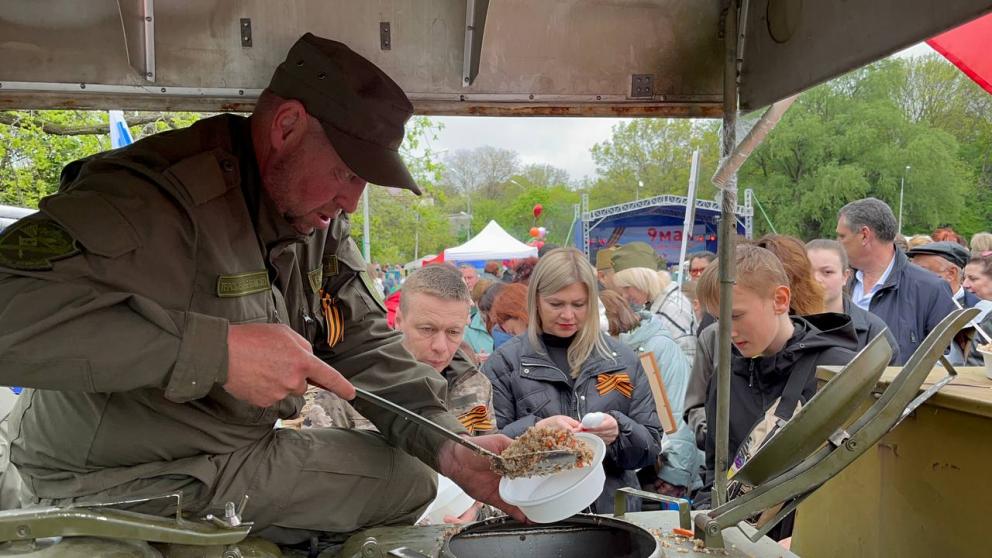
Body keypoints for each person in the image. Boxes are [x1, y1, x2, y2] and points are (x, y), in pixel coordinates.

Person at [0, 33, 521, 543]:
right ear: (287, 126)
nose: (351, 202)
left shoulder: (316, 222)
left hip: (228, 455)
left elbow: (359, 339)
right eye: (345, 172)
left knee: (412, 476)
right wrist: (217, 353)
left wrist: (453, 447)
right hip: (107, 469)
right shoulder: (155, 199)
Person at [693, 245, 859, 539]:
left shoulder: (836, 370)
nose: (727, 331)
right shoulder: (726, 375)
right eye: (719, 320)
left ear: (780, 300)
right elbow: (716, 474)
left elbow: (856, 480)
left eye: (736, 315)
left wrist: (809, 538)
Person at [481, 248, 661, 513]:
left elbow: (651, 449)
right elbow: (485, 455)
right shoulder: (504, 363)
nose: (568, 315)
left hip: (613, 514)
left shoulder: (621, 360)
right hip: (536, 515)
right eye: (556, 304)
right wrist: (537, 431)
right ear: (536, 301)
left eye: (578, 305)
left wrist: (619, 431)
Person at [599, 290, 701, 499]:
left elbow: (678, 411)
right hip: (640, 465)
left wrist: (675, 473)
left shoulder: (655, 347)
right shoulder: (621, 352)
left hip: (663, 469)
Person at [837, 198, 955, 365]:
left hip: (897, 390)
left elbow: (939, 362)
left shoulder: (930, 289)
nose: (838, 243)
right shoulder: (836, 282)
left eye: (842, 236)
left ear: (864, 235)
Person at [805, 239, 899, 364]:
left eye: (827, 272)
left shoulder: (873, 331)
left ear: (845, 276)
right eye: (807, 272)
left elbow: (890, 380)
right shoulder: (787, 325)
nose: (816, 279)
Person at [612, 266, 697, 364]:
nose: (625, 296)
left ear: (641, 281)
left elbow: (688, 355)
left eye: (627, 288)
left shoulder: (673, 307)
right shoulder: (660, 302)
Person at [464, 279, 495, 361]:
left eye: (490, 303)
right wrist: (475, 358)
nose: (485, 307)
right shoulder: (467, 328)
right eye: (481, 302)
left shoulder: (507, 324)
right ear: (475, 302)